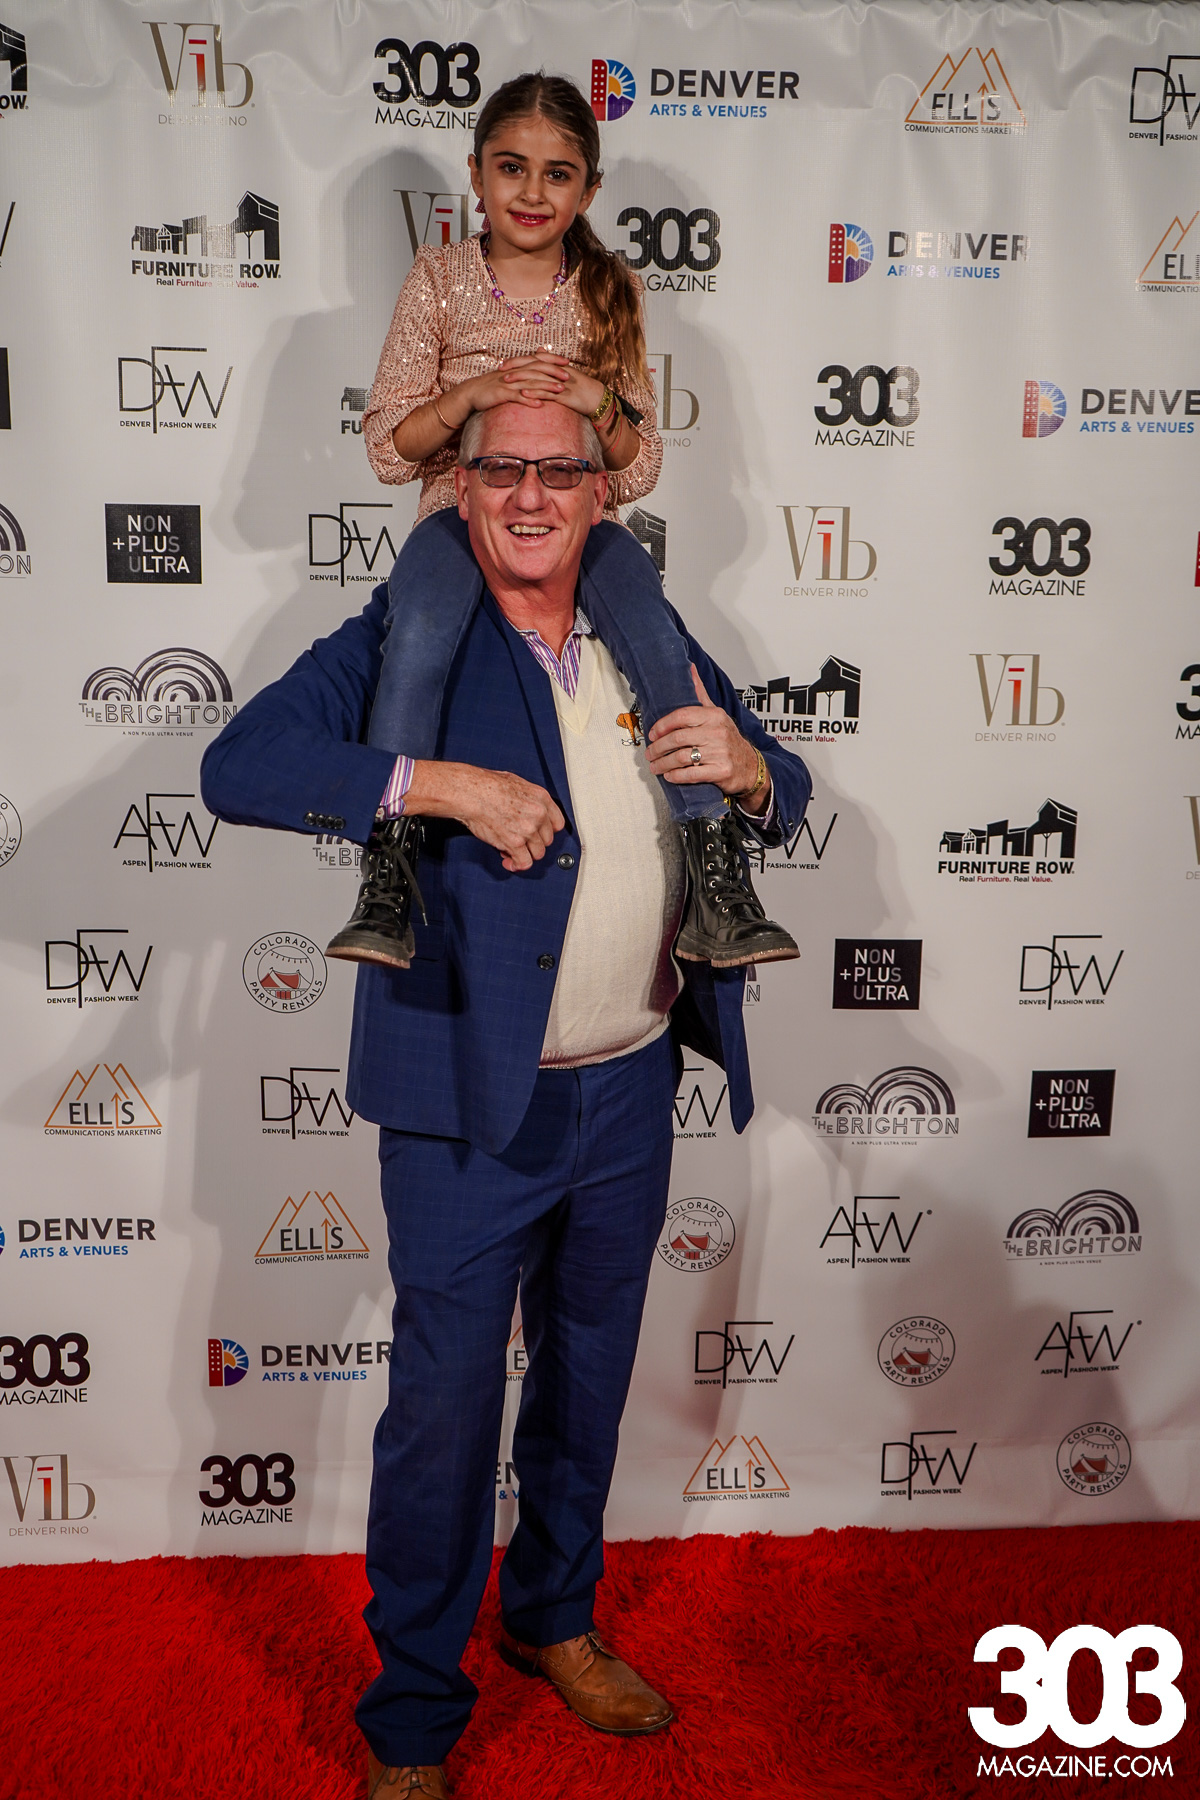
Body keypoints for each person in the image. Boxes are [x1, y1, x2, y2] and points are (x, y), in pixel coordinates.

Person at [200, 399, 812, 1800]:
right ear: (461, 489)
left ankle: (551, 1618)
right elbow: (237, 766)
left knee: (587, 1385)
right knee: (444, 1415)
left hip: (630, 1087)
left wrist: (751, 770)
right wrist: (435, 785)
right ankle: (415, 1719)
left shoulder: (648, 631)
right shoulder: (404, 634)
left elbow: (780, 780)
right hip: (465, 1102)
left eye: (560, 470)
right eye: (502, 470)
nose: (531, 496)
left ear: (603, 491)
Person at [327, 69, 798, 975]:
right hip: (461, 519)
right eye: (512, 167)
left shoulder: (610, 287)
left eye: (557, 173)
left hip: (581, 530)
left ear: (589, 188)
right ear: (476, 174)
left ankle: (715, 874)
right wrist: (473, 394)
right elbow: (390, 450)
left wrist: (594, 400)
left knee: (657, 638)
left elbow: (638, 467)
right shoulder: (439, 279)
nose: (532, 192)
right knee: (414, 635)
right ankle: (387, 874)